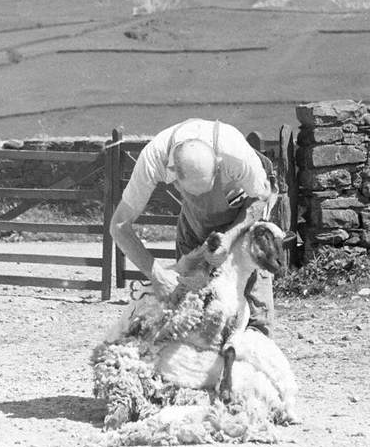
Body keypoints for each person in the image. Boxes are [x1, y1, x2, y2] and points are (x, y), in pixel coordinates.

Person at [109, 118, 280, 333]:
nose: (204, 196)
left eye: (207, 186)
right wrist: (158, 276)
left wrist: (230, 237)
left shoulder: (234, 152)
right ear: (173, 178)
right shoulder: (154, 159)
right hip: (194, 218)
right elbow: (119, 225)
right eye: (194, 191)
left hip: (244, 204)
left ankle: (256, 343)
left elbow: (261, 197)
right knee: (190, 312)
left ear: (218, 164)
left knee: (255, 317)